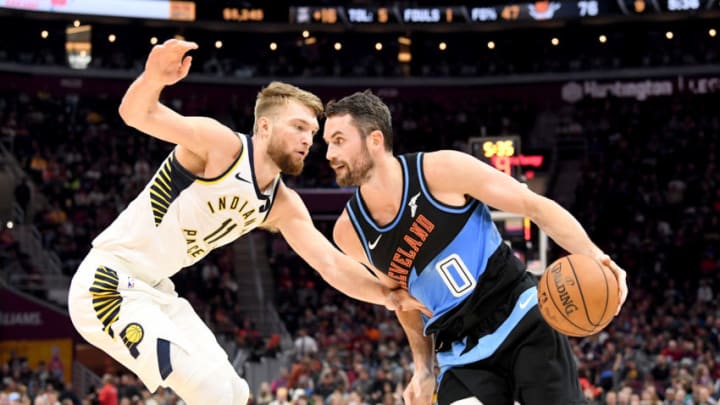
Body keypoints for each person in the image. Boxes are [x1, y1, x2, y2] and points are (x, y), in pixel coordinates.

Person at [67, 40, 424, 405]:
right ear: (264, 126)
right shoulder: (221, 146)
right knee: (206, 388)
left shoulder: (282, 203)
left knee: (234, 394)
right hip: (108, 283)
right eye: (299, 127)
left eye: (312, 134)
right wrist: (154, 78)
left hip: (157, 291)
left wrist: (386, 294)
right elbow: (136, 114)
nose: (307, 140)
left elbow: (330, 263)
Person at [322, 90, 629, 405]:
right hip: (461, 352)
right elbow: (404, 302)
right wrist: (423, 368)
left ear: (374, 140)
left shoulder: (440, 171)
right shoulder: (349, 233)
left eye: (339, 140)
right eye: (328, 142)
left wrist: (595, 255)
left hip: (520, 316)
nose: (329, 153)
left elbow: (534, 206)